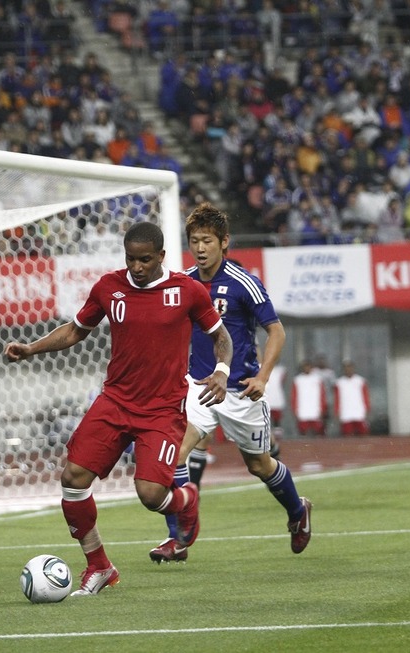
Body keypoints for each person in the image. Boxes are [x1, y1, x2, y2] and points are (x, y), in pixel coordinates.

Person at [4, 221, 233, 596]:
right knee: (73, 479)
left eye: (145, 260)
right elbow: (76, 330)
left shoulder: (187, 291)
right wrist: (31, 348)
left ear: (161, 256)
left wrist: (221, 371)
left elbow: (220, 336)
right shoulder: (108, 287)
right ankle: (99, 566)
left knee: (151, 495)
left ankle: (186, 499)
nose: (137, 267)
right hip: (115, 401)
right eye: (131, 259)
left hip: (162, 410)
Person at [148, 203, 312, 565]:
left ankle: (298, 510)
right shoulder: (184, 282)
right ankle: (178, 538)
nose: (200, 248)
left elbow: (276, 331)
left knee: (260, 465)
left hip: (240, 390)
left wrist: (263, 377)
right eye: (194, 241)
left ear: (224, 241)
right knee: (173, 453)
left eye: (207, 240)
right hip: (199, 386)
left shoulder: (243, 282)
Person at [334, 359, 370, 435]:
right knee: (347, 434)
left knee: (363, 433)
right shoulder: (339, 383)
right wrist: (337, 411)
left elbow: (365, 395)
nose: (348, 370)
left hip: (359, 412)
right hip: (345, 412)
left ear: (353, 369)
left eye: (350, 368)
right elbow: (337, 398)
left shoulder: (360, 381)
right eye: (346, 369)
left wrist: (367, 408)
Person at [292, 359, 327, 436]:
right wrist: (295, 409)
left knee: (318, 433)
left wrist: (322, 408)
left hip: (315, 410)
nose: (307, 369)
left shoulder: (317, 379)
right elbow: (294, 396)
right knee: (303, 433)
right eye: (305, 367)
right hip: (302, 410)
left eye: (308, 367)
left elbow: (322, 395)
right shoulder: (298, 380)